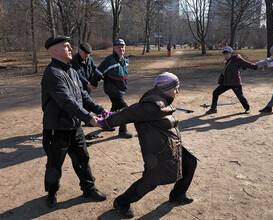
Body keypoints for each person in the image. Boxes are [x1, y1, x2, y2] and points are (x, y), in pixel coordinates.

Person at [97, 72, 197, 218]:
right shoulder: (153, 104)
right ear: (166, 88)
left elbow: (132, 109)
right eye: (176, 88)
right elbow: (129, 113)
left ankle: (178, 195)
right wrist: (104, 121)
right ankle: (122, 202)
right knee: (151, 181)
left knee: (190, 163)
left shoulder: (162, 99)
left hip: (171, 145)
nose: (178, 91)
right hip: (159, 151)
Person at [41, 36, 109, 208]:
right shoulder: (52, 73)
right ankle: (52, 192)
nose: (71, 48)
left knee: (82, 159)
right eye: (66, 46)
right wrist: (89, 118)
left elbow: (83, 96)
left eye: (70, 46)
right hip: (57, 129)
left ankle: (89, 189)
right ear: (55, 51)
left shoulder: (71, 71)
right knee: (55, 164)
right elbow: (66, 101)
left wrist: (101, 110)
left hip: (74, 127)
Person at [92, 39, 133, 138]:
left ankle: (106, 124)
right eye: (118, 47)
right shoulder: (110, 60)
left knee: (115, 108)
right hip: (112, 89)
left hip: (121, 89)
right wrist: (94, 83)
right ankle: (123, 130)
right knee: (124, 109)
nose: (121, 49)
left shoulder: (126, 60)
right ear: (114, 48)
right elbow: (98, 71)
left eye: (122, 46)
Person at [206, 46, 258, 114]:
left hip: (235, 82)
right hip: (226, 82)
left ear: (231, 53)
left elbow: (246, 63)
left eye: (227, 53)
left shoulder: (237, 58)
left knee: (240, 96)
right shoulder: (227, 60)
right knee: (215, 93)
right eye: (224, 54)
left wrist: (256, 66)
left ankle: (247, 108)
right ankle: (213, 109)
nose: (226, 55)